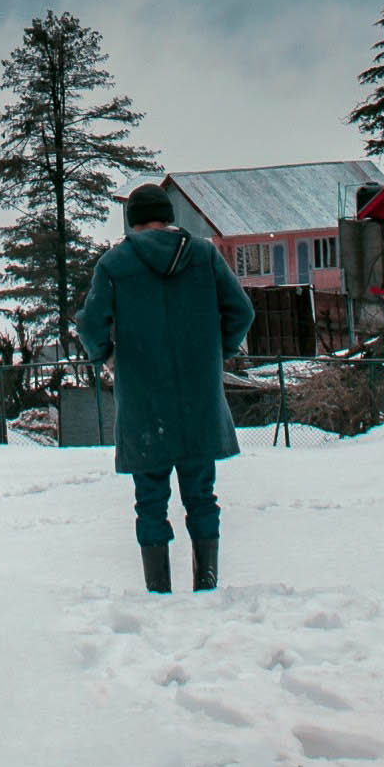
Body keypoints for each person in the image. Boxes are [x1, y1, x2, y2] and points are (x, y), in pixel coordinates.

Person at [74, 181, 252, 593]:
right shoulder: (205, 255)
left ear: (132, 221)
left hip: (143, 403)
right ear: (168, 216)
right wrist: (216, 351)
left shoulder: (114, 264)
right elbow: (241, 311)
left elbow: (89, 323)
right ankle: (206, 582)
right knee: (202, 495)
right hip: (200, 400)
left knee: (149, 500)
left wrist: (108, 356)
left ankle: (158, 590)